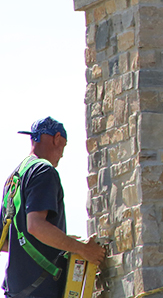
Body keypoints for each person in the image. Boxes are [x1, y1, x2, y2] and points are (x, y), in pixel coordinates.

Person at [1, 117, 105, 298]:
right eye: (63, 146)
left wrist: (57, 240)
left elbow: (3, 241)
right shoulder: (43, 170)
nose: (62, 154)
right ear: (57, 138)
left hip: (16, 290)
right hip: (40, 290)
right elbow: (36, 226)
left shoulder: (14, 179)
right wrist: (82, 248)